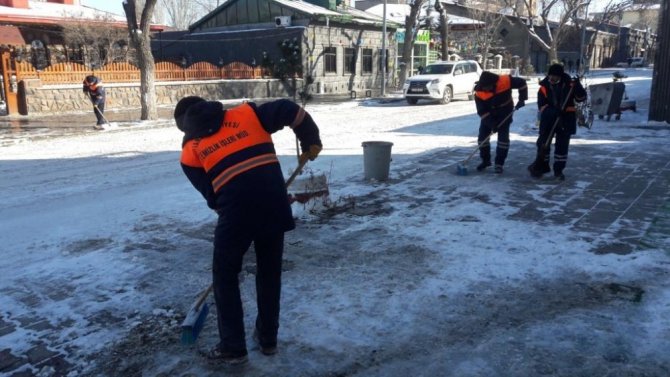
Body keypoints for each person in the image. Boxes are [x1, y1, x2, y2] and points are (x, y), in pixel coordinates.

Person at [174, 96, 322, 365]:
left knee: (225, 274)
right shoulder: (248, 113)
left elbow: (213, 195)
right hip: (273, 201)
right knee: (269, 271)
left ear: (185, 126)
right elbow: (290, 110)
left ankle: (232, 346)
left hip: (236, 212)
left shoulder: (189, 151)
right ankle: (268, 339)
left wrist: (237, 211)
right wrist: (310, 138)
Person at [529, 63, 587, 180]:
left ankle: (558, 170)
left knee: (562, 146)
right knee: (543, 144)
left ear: (560, 76)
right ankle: (542, 166)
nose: (552, 78)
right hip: (548, 120)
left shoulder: (570, 85)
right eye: (550, 75)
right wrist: (554, 111)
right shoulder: (544, 87)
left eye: (555, 76)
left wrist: (578, 87)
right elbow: (542, 105)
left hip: (565, 120)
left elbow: (581, 98)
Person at [473, 70, 528, 173]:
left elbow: (522, 83)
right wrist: (491, 124)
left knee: (503, 141)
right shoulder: (479, 93)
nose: (486, 89)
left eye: (487, 87)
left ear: (493, 84)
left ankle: (499, 164)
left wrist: (522, 99)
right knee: (482, 139)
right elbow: (481, 111)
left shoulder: (505, 81)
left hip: (505, 113)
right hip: (488, 115)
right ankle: (485, 160)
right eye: (484, 87)